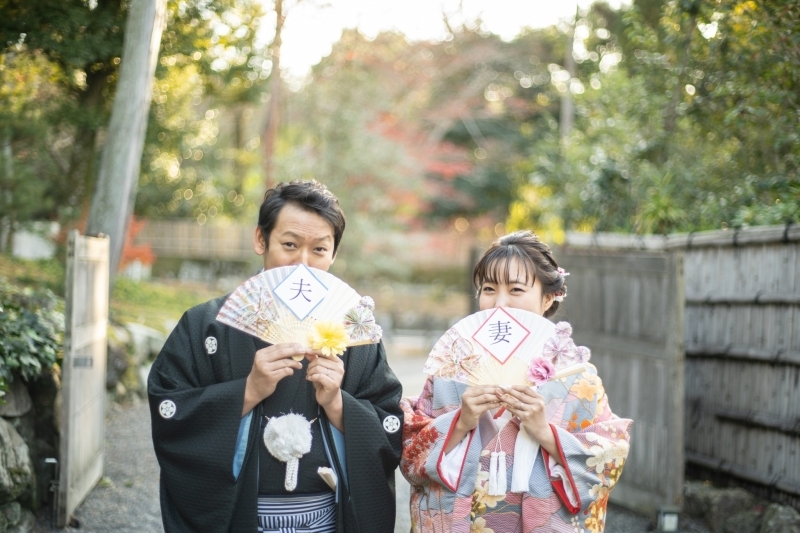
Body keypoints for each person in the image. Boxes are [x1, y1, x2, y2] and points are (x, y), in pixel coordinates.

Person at [148, 180, 403, 533]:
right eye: (289, 244)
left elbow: (390, 425)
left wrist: (338, 405)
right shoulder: (206, 324)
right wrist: (247, 391)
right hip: (239, 515)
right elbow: (170, 410)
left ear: (333, 254)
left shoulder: (354, 332)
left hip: (327, 517)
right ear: (260, 240)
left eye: (319, 249)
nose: (302, 263)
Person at [399, 230, 632, 533]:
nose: (500, 303)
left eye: (516, 289)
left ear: (548, 297)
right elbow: (409, 450)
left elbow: (608, 457)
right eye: (489, 288)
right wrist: (460, 422)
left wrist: (545, 433)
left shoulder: (578, 379)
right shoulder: (450, 372)